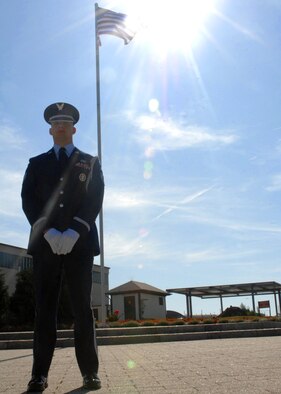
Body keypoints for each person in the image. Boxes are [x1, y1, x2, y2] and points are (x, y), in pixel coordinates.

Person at [21, 102, 104, 392]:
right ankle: (39, 375)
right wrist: (48, 231)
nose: (60, 127)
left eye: (65, 123)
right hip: (46, 246)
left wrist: (74, 232)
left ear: (74, 129)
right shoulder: (36, 163)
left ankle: (89, 373)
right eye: (56, 123)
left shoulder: (89, 162)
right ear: (49, 129)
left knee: (82, 309)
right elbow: (28, 201)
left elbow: (94, 200)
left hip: (78, 246)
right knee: (44, 310)